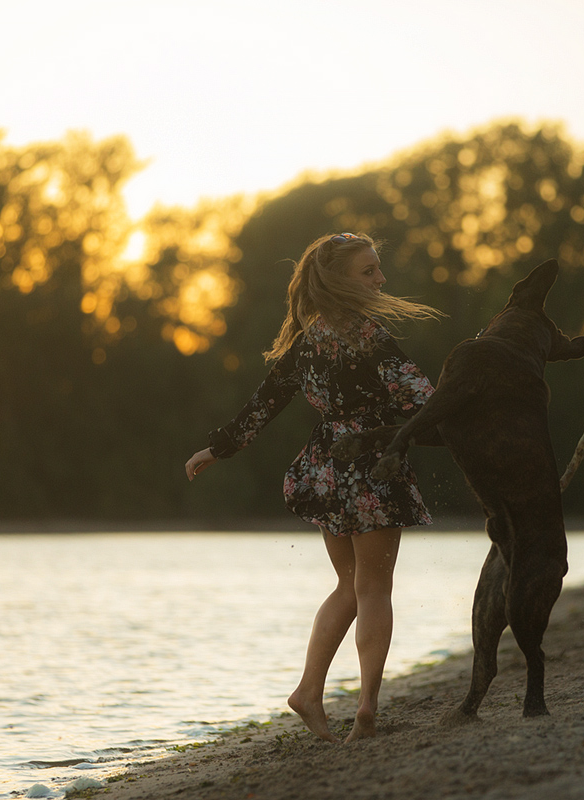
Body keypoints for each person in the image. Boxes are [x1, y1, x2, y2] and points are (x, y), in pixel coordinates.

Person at [184, 231, 440, 743]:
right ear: (340, 280)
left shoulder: (309, 340)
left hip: (325, 472)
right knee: (373, 588)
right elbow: (423, 402)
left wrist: (218, 448)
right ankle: (366, 708)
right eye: (368, 270)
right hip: (370, 470)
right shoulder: (372, 337)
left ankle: (307, 692)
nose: (381, 279)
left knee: (350, 586)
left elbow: (265, 403)